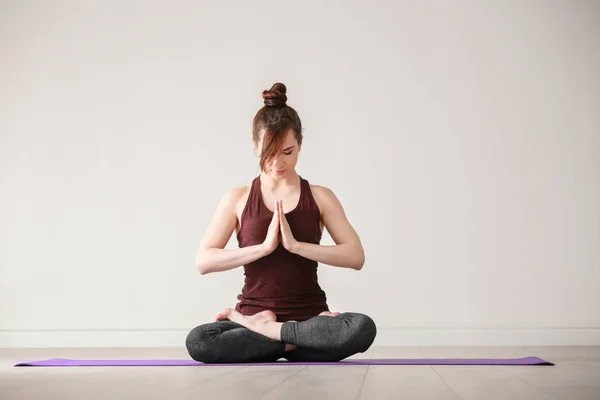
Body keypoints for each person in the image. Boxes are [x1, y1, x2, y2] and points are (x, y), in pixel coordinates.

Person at [186, 82, 376, 363]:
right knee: (199, 342)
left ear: (300, 144)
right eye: (268, 151)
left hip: (310, 318)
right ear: (254, 145)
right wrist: (263, 248)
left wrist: (297, 246)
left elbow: (355, 256)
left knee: (361, 328)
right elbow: (204, 261)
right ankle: (287, 339)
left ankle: (273, 334)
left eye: (287, 151)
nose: (277, 162)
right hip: (264, 318)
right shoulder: (237, 198)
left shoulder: (321, 197)